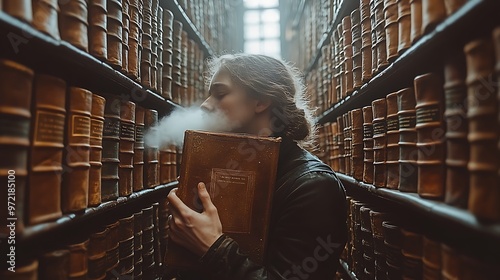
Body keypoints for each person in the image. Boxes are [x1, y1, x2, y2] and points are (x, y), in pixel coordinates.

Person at [165, 53, 347, 280]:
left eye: (220, 94)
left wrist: (213, 247)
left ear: (261, 101)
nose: (204, 105)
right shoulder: (227, 167)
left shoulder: (315, 186)